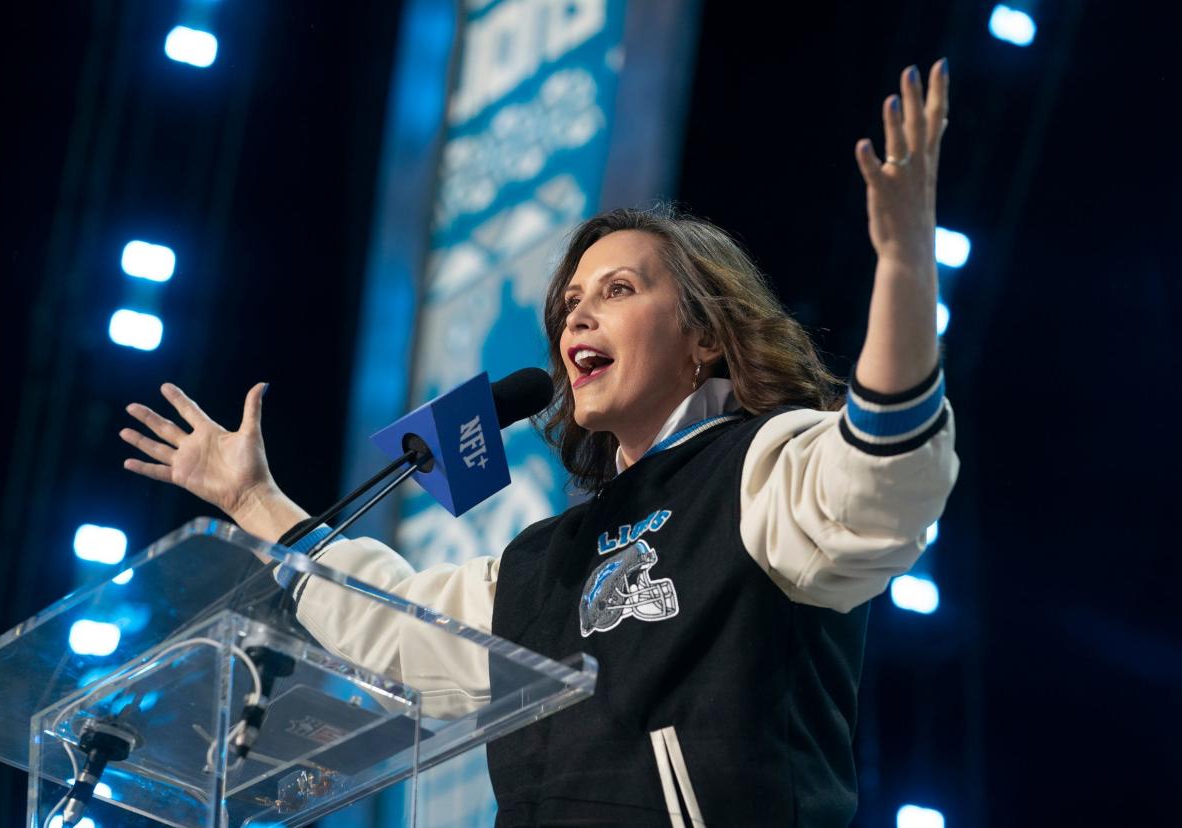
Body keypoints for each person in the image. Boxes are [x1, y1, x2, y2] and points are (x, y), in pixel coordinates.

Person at [121, 60, 957, 826]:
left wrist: (905, 270)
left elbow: (880, 482)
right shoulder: (544, 562)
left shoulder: (762, 466)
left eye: (619, 289)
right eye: (569, 305)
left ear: (704, 336)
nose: (577, 317)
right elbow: (397, 629)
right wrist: (253, 501)